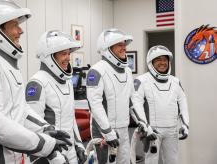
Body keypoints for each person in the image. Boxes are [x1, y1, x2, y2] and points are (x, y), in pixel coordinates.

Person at [0, 1, 70, 163]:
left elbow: (20, 111)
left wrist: (44, 129)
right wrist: (44, 145)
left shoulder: (4, 65)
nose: (21, 30)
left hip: (15, 157)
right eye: (14, 25)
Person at [25, 30, 87, 164]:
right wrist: (55, 157)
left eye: (69, 53)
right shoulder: (37, 83)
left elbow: (71, 120)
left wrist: (79, 145)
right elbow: (33, 129)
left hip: (70, 152)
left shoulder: (68, 82)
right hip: (48, 156)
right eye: (64, 54)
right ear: (49, 57)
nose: (68, 58)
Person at [131, 45, 190, 164]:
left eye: (165, 59)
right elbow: (135, 104)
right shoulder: (141, 80)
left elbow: (183, 102)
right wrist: (144, 126)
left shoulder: (175, 81)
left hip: (172, 130)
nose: (162, 62)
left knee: (172, 161)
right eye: (158, 59)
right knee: (151, 161)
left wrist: (185, 125)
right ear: (151, 62)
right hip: (152, 131)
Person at [86, 28, 134, 164]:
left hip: (124, 129)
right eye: (120, 44)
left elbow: (132, 101)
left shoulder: (128, 71)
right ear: (107, 48)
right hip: (104, 131)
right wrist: (108, 132)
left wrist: (143, 123)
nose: (124, 47)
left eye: (124, 44)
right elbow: (94, 104)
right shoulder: (96, 70)